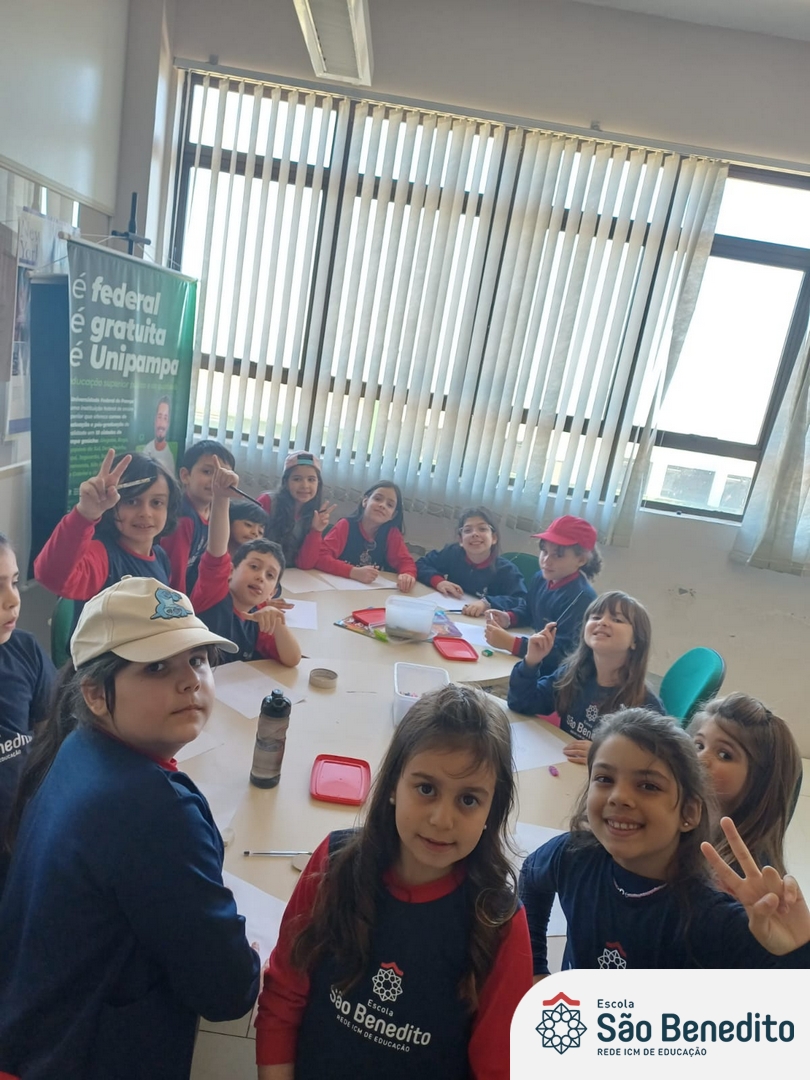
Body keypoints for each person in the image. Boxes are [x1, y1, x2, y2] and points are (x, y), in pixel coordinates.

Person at [0, 577, 260, 1079]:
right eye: (157, 667)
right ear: (96, 693)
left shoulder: (76, 745)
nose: (190, 681)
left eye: (198, 659)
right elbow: (227, 992)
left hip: (29, 1034)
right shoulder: (154, 812)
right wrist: (245, 963)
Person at [255, 684, 532, 1080]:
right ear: (391, 788)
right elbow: (284, 995)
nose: (441, 819)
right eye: (426, 789)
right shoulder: (335, 863)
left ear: (493, 810)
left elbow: (498, 1067)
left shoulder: (499, 923)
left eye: (469, 799)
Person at [519, 708, 810, 973]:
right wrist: (534, 967)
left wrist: (798, 953)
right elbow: (532, 875)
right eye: (605, 779)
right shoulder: (572, 855)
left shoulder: (711, 918)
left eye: (648, 785)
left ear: (689, 813)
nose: (619, 797)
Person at [507, 590, 663, 763]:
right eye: (595, 617)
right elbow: (521, 703)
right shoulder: (572, 674)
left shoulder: (645, 703)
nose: (602, 622)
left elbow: (661, 758)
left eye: (617, 619)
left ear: (636, 641)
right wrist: (531, 661)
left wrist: (606, 754)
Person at [33, 449, 178, 609]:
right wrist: (85, 513)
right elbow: (51, 577)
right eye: (131, 502)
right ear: (111, 506)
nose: (146, 513)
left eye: (156, 502)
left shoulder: (160, 556)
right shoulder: (103, 556)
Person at [191, 458, 301, 667]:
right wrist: (221, 497)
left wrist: (278, 624)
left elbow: (292, 659)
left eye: (270, 575)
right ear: (230, 571)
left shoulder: (259, 615)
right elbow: (217, 550)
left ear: (272, 592)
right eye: (254, 567)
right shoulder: (214, 594)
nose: (260, 577)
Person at [689, 693, 802, 877]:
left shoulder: (745, 875)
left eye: (724, 755)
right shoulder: (691, 821)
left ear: (760, 781)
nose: (700, 759)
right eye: (699, 745)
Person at [0, 533, 56, 887]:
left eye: (14, 581)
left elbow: (49, 739)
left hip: (24, 835)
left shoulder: (25, 650)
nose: (13, 599)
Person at [484, 515, 601, 675]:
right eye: (544, 551)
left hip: (557, 677)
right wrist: (509, 617)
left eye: (558, 555)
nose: (546, 560)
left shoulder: (581, 598)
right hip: (533, 660)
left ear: (581, 560)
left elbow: (563, 654)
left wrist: (512, 644)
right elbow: (529, 610)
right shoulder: (541, 577)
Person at [415, 508, 527, 617]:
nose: (475, 534)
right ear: (460, 540)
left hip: (485, 623)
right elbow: (421, 564)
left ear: (494, 538)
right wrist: (439, 582)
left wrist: (487, 603)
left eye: (482, 529)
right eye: (468, 530)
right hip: (453, 615)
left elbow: (521, 601)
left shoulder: (507, 570)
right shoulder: (452, 552)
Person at [161, 439, 236, 594]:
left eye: (222, 474)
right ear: (185, 475)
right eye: (207, 472)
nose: (215, 480)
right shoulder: (183, 519)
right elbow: (174, 575)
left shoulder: (215, 513)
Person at [313, 481, 418, 591]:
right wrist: (352, 572)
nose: (382, 505)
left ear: (393, 515)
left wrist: (407, 574)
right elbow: (320, 557)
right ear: (365, 501)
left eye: (389, 505)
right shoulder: (346, 525)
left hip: (371, 590)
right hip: (338, 588)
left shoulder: (392, 533)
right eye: (378, 499)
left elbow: (405, 562)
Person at [257, 451, 336, 569]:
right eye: (297, 479)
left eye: (311, 479)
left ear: (318, 484)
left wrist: (316, 530)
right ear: (286, 482)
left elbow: (305, 564)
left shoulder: (316, 513)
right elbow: (250, 547)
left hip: (293, 575)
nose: (305, 485)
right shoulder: (268, 502)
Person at [142, 395, 176, 477]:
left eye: (165, 418)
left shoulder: (170, 457)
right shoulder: (147, 450)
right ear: (154, 420)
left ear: (168, 424)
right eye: (159, 417)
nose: (161, 424)